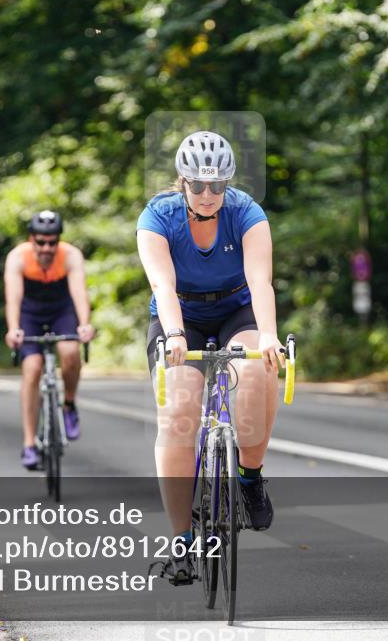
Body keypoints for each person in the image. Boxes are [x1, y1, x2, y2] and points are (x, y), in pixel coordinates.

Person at [137, 131, 284, 584]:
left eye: (216, 186)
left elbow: (261, 283)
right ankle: (181, 540)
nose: (206, 194)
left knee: (258, 371)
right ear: (181, 181)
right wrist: (176, 334)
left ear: (228, 184)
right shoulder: (157, 217)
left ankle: (250, 476)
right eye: (197, 185)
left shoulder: (247, 214)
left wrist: (272, 338)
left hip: (235, 308)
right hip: (178, 311)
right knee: (179, 410)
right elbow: (162, 286)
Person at [4, 211, 95, 470]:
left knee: (69, 352)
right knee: (32, 369)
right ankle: (29, 443)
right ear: (31, 239)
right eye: (41, 242)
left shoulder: (71, 256)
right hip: (29, 313)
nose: (47, 248)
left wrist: (84, 324)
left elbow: (79, 293)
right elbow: (13, 299)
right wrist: (13, 329)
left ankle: (68, 404)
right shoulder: (17, 258)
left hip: (61, 311)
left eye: (52, 242)